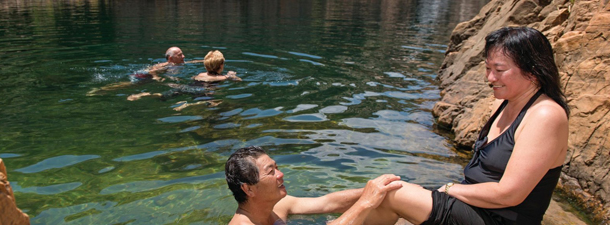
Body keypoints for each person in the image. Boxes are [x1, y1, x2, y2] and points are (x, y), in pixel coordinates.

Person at [361, 26, 570, 225]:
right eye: (488, 68)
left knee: (394, 194)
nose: (490, 78)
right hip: (474, 206)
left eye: (499, 70)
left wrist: (450, 189)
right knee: (379, 189)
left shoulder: (545, 115)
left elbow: (510, 194)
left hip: (500, 220)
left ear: (533, 72)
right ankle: (328, 207)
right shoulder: (504, 103)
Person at [225, 146, 403, 225]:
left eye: (277, 168)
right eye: (271, 172)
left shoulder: (274, 207)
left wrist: (375, 189)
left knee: (389, 208)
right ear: (248, 189)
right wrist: (365, 203)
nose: (281, 174)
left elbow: (327, 203)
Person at [127, 50, 242, 110]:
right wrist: (231, 75)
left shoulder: (200, 74)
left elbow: (192, 78)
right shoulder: (223, 77)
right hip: (200, 91)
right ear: (221, 65)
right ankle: (186, 105)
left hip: (185, 86)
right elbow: (238, 80)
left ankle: (146, 94)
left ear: (206, 66)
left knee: (162, 96)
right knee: (211, 103)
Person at [86, 47, 202, 96]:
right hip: (143, 75)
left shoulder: (178, 64)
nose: (183, 56)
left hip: (146, 76)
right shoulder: (166, 64)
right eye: (180, 54)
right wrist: (155, 77)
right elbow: (153, 69)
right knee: (126, 85)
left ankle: (102, 90)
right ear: (171, 58)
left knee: (128, 85)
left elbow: (192, 62)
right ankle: (100, 90)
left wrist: (205, 60)